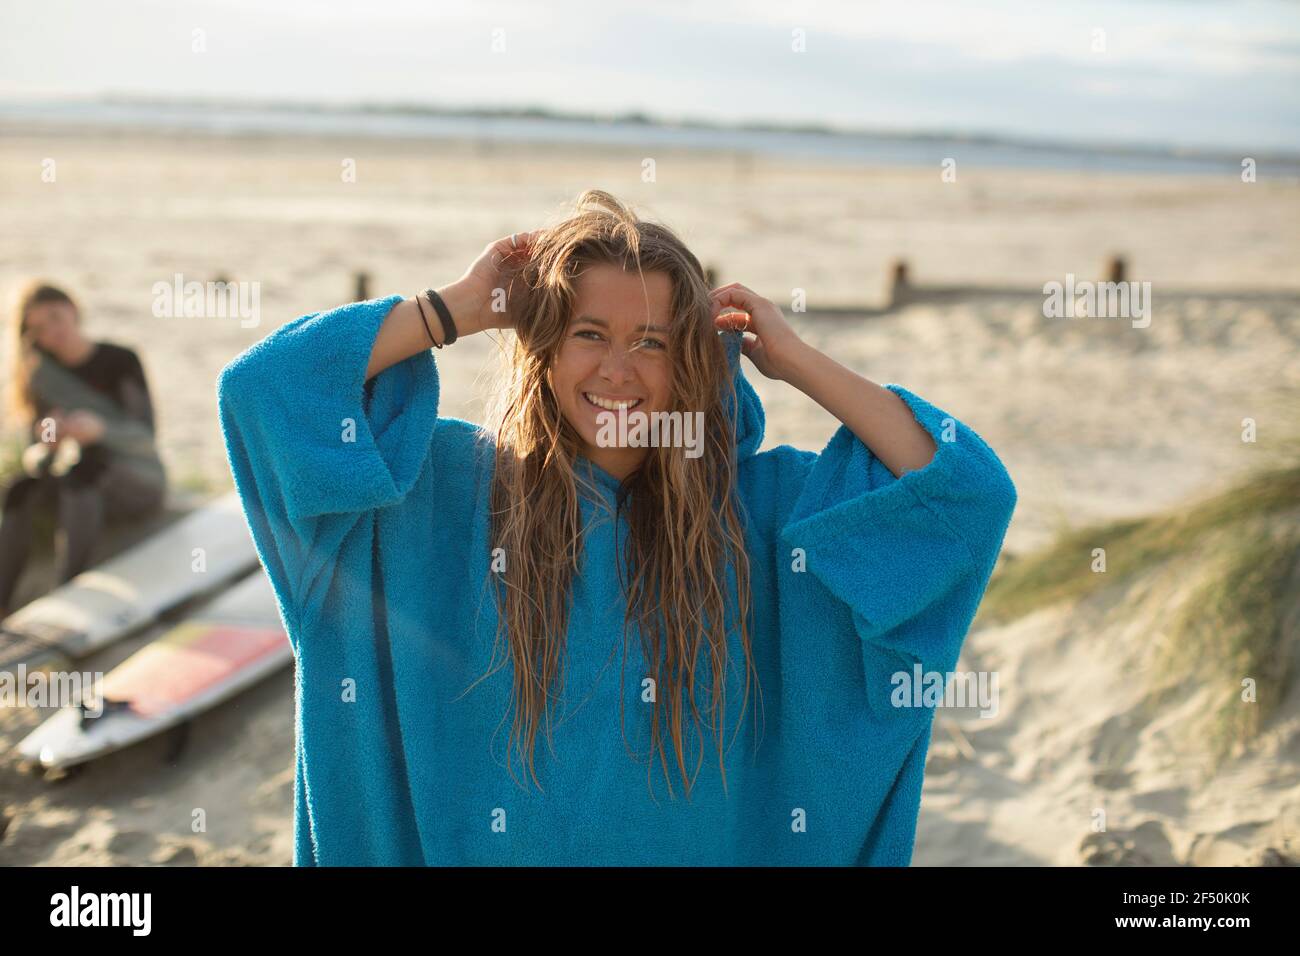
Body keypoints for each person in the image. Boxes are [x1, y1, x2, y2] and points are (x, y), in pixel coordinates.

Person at [216, 189, 1017, 866]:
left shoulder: (760, 513)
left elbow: (963, 495)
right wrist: (455, 309)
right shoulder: (446, 494)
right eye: (589, 334)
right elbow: (266, 395)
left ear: (694, 361)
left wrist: (796, 358)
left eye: (652, 344)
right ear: (545, 349)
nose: (617, 371)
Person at [0, 282, 167, 618]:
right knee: (19, 489)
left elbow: (146, 436)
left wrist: (101, 430)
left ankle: (68, 594)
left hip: (136, 479)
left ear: (73, 310)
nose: (52, 332)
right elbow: (35, 456)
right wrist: (49, 440)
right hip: (74, 475)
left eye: (55, 318)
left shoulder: (121, 360)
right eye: (39, 329)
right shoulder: (41, 375)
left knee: (83, 476)